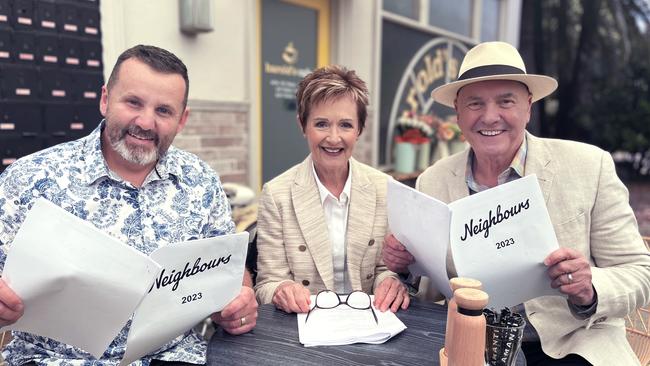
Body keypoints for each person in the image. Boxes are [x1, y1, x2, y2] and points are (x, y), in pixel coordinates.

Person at [382, 41, 650, 365]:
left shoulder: (590, 166)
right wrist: (404, 268)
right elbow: (428, 284)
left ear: (528, 106)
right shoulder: (433, 181)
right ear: (457, 111)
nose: (490, 116)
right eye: (475, 103)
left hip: (570, 345)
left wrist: (589, 287)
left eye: (505, 101)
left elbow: (639, 272)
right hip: (468, 344)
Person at [0, 45, 258, 364]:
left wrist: (239, 299)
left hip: (175, 356)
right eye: (133, 102)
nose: (146, 122)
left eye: (164, 111)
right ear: (106, 99)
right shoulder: (30, 178)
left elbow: (229, 271)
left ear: (182, 119)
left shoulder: (201, 180)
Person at [254, 65, 409, 315]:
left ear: (359, 129)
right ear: (303, 126)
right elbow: (266, 283)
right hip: (305, 324)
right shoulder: (276, 193)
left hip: (369, 322)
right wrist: (282, 289)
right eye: (322, 124)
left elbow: (385, 269)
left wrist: (390, 283)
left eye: (346, 125)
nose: (334, 138)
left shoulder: (384, 188)